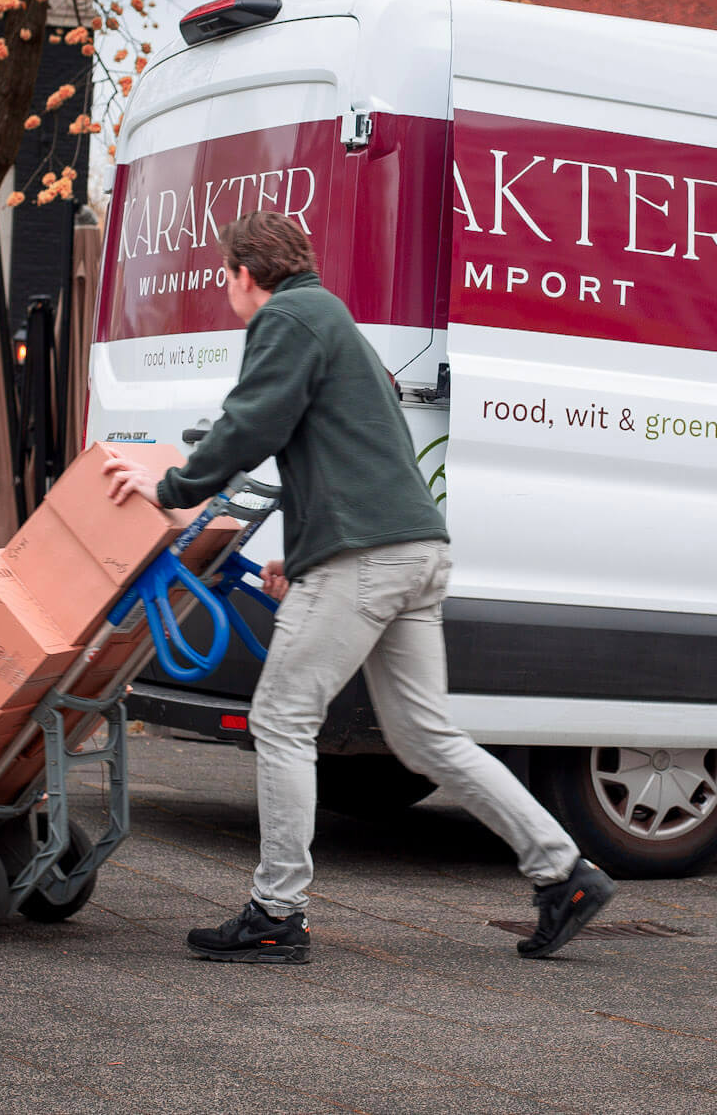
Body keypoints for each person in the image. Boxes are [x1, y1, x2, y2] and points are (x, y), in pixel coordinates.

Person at [103, 211, 615, 963]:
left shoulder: (286, 319)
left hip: (365, 559)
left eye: (227, 277)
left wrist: (171, 488)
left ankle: (276, 912)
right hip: (413, 550)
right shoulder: (333, 321)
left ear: (245, 273)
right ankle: (564, 872)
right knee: (427, 736)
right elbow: (341, 452)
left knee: (281, 718)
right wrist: (302, 555)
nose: (229, 291)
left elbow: (250, 426)